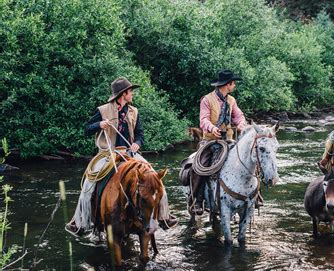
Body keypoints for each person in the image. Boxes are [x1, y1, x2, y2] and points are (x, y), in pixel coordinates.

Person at [66, 77, 178, 234]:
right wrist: (99, 124)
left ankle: (165, 217)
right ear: (123, 94)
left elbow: (140, 134)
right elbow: (86, 129)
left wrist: (137, 143)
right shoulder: (103, 110)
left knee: (155, 179)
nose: (132, 94)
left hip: (130, 154)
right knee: (88, 185)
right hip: (107, 153)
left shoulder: (134, 112)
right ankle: (80, 222)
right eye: (131, 91)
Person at [189, 69, 248, 215]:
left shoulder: (231, 100)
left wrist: (241, 123)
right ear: (228, 84)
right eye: (233, 83)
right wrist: (212, 128)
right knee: (200, 166)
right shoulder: (207, 100)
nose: (234, 86)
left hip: (228, 140)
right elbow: (203, 120)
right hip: (210, 141)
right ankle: (197, 199)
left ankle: (251, 195)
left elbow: (239, 116)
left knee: (247, 160)